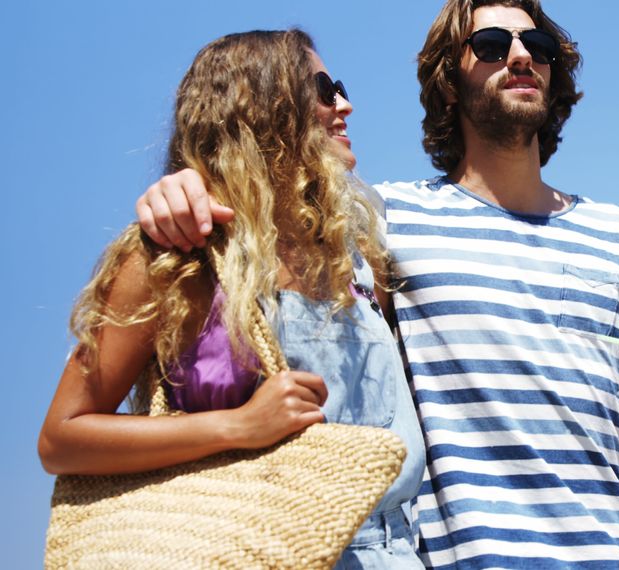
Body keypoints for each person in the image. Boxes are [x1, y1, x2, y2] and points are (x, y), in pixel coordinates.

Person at [134, 1, 619, 567]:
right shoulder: (383, 221)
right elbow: (265, 196)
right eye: (492, 45)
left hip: (615, 555)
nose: (521, 56)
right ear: (448, 80)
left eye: (539, 45)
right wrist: (185, 186)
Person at [38, 30, 426, 569]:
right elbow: (62, 437)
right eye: (322, 88)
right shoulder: (180, 257)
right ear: (261, 105)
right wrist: (237, 427)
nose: (344, 103)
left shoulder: (356, 249)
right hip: (252, 549)